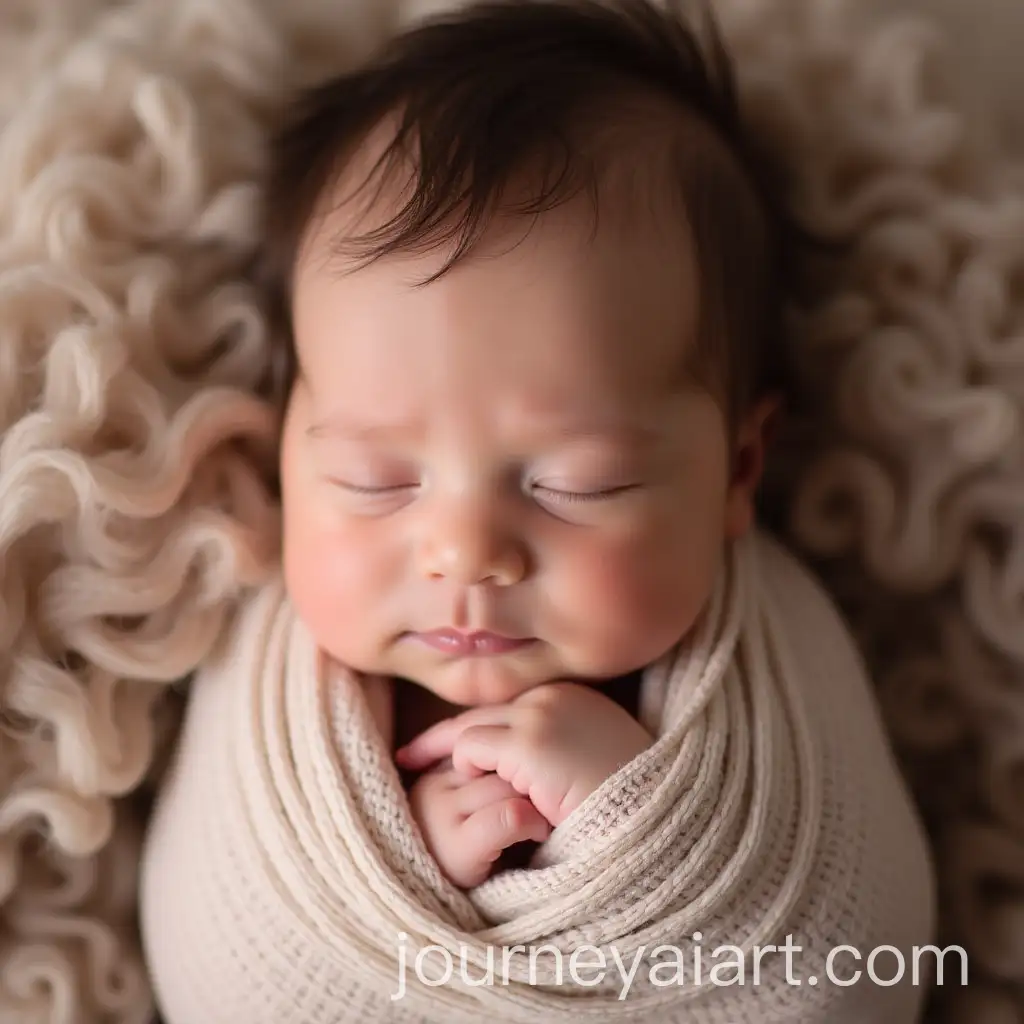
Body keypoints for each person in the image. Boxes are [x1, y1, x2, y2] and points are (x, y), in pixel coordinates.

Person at [139, 2, 935, 1020]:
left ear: (739, 469)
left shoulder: (774, 665)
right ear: (285, 449)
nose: (464, 549)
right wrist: (413, 865)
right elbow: (223, 953)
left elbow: (857, 951)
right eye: (376, 478)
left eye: (576, 483)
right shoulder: (275, 701)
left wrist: (637, 826)